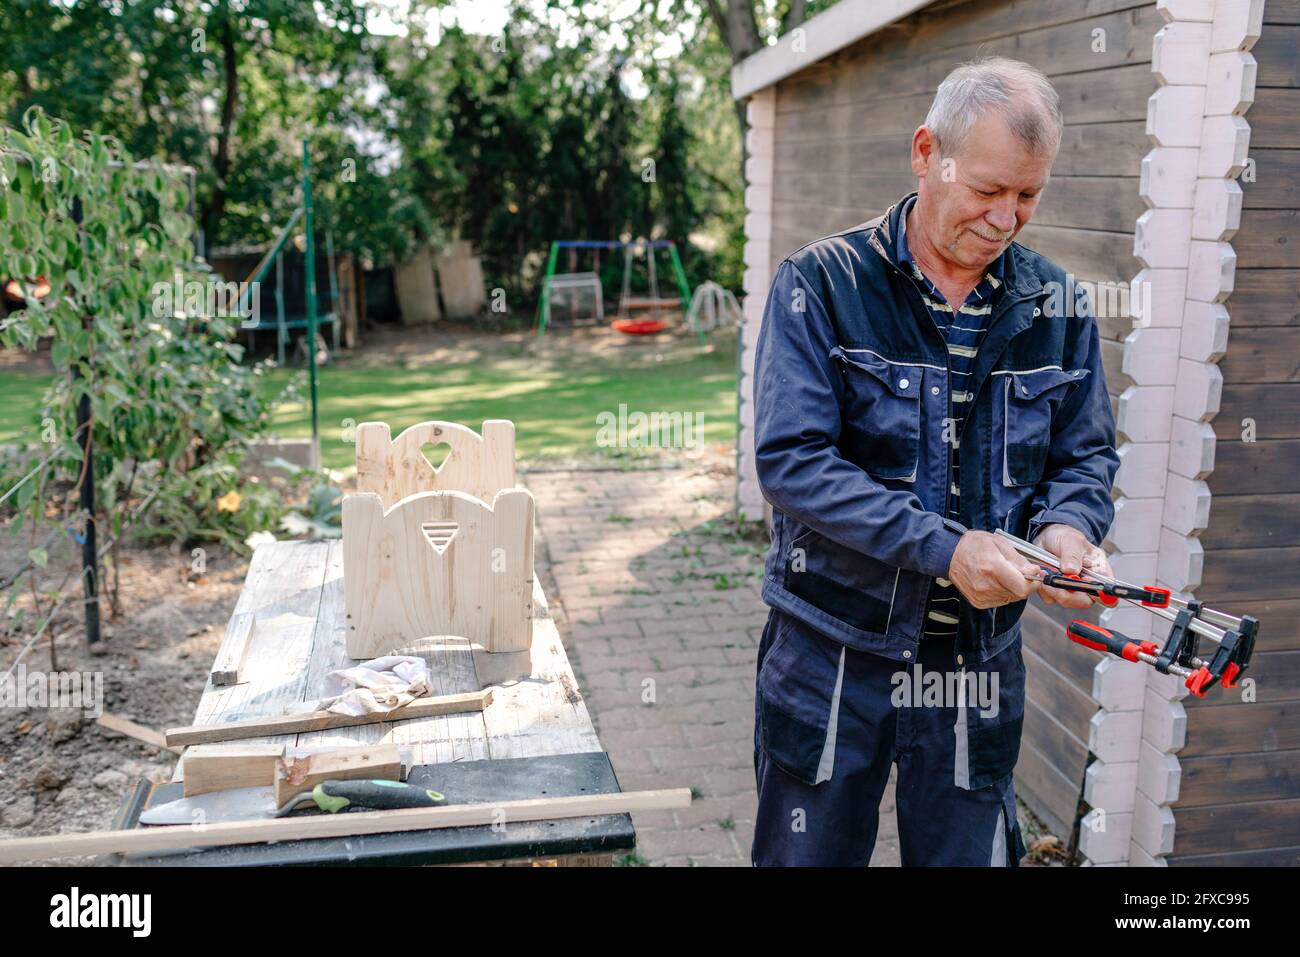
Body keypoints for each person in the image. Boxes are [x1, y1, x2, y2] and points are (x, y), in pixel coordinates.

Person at [751, 56, 1120, 866]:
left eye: (1028, 195)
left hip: (977, 668)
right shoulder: (821, 284)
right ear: (927, 153)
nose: (1005, 218)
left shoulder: (1058, 305)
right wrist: (946, 550)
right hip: (833, 654)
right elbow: (794, 462)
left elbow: (1083, 454)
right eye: (987, 191)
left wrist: (1067, 528)